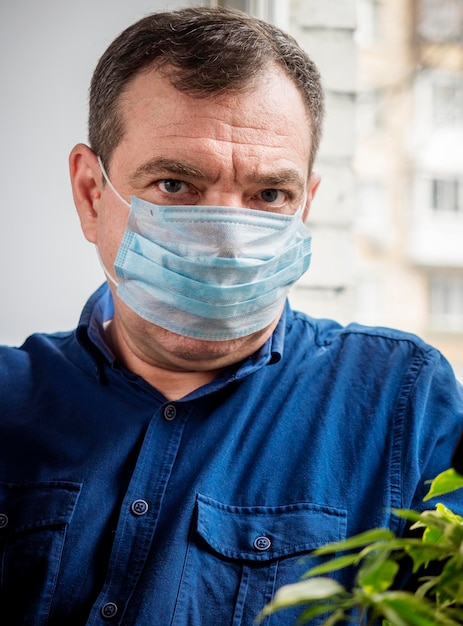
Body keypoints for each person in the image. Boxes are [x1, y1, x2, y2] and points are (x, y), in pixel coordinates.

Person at [0, 6, 462, 626]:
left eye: (269, 195)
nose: (227, 243)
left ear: (305, 205)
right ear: (91, 193)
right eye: (174, 185)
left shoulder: (404, 403)